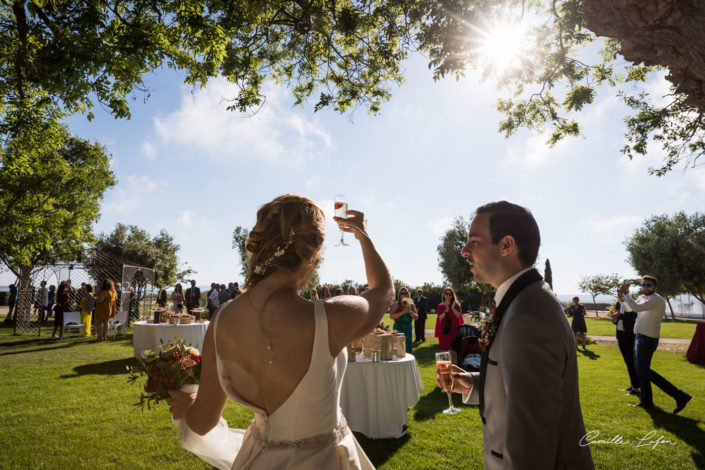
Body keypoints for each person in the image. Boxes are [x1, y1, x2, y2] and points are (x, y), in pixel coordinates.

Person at [168, 194, 393, 469]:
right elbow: (383, 291)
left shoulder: (222, 319)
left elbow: (202, 423)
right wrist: (362, 234)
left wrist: (188, 406)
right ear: (314, 252)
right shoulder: (330, 317)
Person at [439, 201, 593, 469]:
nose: (464, 251)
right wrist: (474, 383)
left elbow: (533, 439)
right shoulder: (524, 299)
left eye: (473, 241)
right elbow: (517, 382)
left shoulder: (528, 316)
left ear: (507, 245)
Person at [618, 276, 691, 413]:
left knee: (644, 370)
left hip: (647, 339)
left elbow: (636, 308)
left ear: (655, 287)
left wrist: (626, 294)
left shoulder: (657, 300)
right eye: (643, 285)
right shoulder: (643, 298)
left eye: (649, 285)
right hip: (640, 336)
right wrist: (621, 296)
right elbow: (629, 309)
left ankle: (680, 395)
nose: (645, 287)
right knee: (640, 370)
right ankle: (647, 401)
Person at [609, 300, 640, 396]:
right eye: (618, 291)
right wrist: (614, 318)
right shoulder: (618, 304)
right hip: (621, 335)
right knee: (628, 361)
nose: (619, 293)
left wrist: (619, 316)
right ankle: (633, 384)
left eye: (622, 291)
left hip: (630, 336)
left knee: (632, 361)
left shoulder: (631, 303)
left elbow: (633, 317)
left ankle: (636, 387)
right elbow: (618, 321)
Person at [435, 286, 463, 362]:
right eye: (446, 293)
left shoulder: (456, 304)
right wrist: (446, 310)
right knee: (445, 357)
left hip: (454, 333)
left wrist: (453, 308)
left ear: (452, 295)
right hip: (444, 333)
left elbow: (459, 316)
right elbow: (440, 318)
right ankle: (446, 373)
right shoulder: (440, 306)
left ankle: (454, 373)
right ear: (443, 294)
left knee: (454, 356)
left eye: (450, 294)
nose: (448, 295)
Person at [390, 287, 418, 354]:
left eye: (406, 293)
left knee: (408, 349)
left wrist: (410, 312)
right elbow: (391, 316)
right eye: (402, 293)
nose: (404, 295)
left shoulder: (411, 304)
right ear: (399, 295)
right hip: (398, 328)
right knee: (398, 349)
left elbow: (416, 317)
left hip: (408, 328)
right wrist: (403, 312)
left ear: (408, 294)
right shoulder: (396, 304)